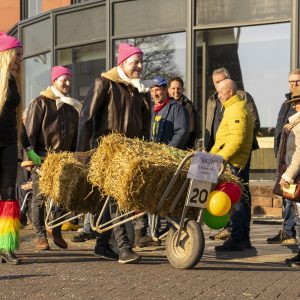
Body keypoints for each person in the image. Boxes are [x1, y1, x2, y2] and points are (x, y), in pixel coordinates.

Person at [77, 42, 151, 264]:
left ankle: (102, 245)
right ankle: (124, 248)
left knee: (114, 197)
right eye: (135, 62)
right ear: (122, 62)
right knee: (117, 196)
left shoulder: (138, 88)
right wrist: (82, 151)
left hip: (131, 150)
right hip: (108, 149)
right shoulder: (104, 83)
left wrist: (145, 147)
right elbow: (87, 117)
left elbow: (144, 124)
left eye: (141, 62)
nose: (139, 66)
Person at [25, 66, 80, 251]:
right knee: (39, 198)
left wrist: (74, 157)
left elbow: (75, 136)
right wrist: (31, 158)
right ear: (54, 81)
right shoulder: (40, 103)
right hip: (43, 158)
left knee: (65, 197)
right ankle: (41, 236)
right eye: (64, 79)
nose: (68, 83)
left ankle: (55, 228)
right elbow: (29, 133)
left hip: (64, 159)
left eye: (69, 79)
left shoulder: (71, 108)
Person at [205, 67, 260, 241]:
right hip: (227, 160)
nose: (218, 94)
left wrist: (219, 158)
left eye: (221, 91)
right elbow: (223, 138)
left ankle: (238, 238)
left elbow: (235, 141)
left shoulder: (236, 109)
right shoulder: (230, 107)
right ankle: (238, 236)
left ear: (229, 92)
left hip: (233, 162)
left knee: (235, 199)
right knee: (236, 198)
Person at [267, 69, 300, 245]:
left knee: (293, 197)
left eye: (297, 82)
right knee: (287, 197)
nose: (293, 85)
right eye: (291, 82)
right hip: (285, 159)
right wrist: (277, 154)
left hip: (294, 162)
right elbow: (280, 131)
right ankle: (287, 230)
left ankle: (289, 232)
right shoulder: (286, 103)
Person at [0, 32, 23, 265]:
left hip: (8, 143)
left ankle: (6, 247)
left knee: (8, 194)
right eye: (17, 54)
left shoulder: (13, 81)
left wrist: (27, 146)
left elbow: (18, 118)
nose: (20, 59)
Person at [273, 86, 300, 267]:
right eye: (295, 102)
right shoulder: (294, 123)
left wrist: (288, 175)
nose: (296, 106)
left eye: (298, 102)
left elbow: (299, 153)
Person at [150, 76, 189, 148]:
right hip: (154, 154)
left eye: (157, 90)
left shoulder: (177, 108)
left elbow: (181, 132)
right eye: (152, 91)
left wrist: (168, 150)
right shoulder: (152, 110)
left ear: (166, 90)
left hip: (168, 156)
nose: (154, 94)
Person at [168, 77, 197, 149]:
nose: (176, 91)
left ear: (182, 89)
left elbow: (192, 131)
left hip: (181, 148)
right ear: (168, 90)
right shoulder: (165, 105)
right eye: (173, 88)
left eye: (179, 88)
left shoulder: (188, 106)